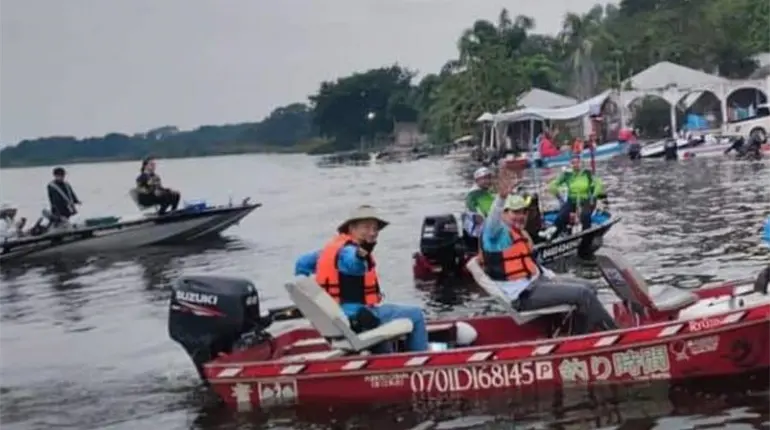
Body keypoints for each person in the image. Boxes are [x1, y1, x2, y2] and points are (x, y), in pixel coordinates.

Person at [480, 170, 617, 334]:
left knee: (589, 286)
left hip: (537, 282)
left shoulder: (518, 234)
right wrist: (501, 198)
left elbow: (532, 264)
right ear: (503, 214)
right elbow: (492, 221)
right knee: (583, 293)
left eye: (523, 212)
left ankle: (580, 334)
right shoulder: (494, 236)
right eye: (515, 212)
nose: (521, 216)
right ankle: (614, 333)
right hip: (523, 295)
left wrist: (553, 277)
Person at [294, 205, 429, 352]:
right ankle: (421, 361)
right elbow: (354, 265)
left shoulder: (329, 251)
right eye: (366, 227)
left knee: (380, 328)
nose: (372, 233)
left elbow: (301, 265)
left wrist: (313, 292)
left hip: (340, 320)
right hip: (356, 317)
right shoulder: (349, 252)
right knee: (416, 315)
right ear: (352, 228)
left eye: (375, 228)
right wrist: (360, 256)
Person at [547, 154, 605, 237]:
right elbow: (552, 185)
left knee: (585, 215)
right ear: (571, 165)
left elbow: (598, 184)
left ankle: (586, 236)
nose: (576, 165)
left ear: (581, 163)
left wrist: (594, 196)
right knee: (561, 216)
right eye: (573, 163)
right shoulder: (567, 175)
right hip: (572, 200)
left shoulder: (587, 173)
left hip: (585, 199)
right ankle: (554, 235)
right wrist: (559, 196)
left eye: (577, 162)